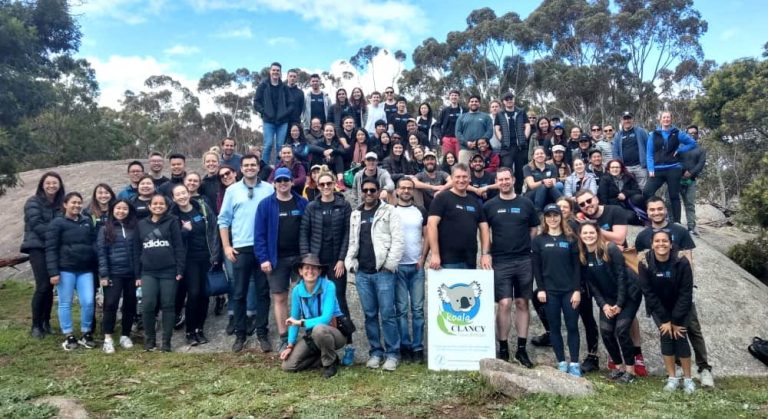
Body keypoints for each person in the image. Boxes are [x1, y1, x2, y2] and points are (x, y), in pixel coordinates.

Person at [634, 197, 714, 387]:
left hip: (682, 289)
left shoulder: (679, 231)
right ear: (647, 212)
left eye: (659, 209)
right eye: (652, 209)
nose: (656, 212)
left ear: (665, 210)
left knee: (692, 329)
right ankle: (677, 369)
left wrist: (690, 287)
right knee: (668, 330)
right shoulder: (643, 236)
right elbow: (641, 262)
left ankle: (704, 368)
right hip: (659, 293)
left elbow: (688, 258)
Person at [482, 167, 538, 368]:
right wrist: (486, 253)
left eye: (507, 179)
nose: (504, 182)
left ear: (513, 180)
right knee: (504, 303)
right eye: (501, 179)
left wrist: (526, 246)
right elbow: (484, 231)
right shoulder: (489, 206)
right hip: (500, 260)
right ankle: (503, 347)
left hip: (524, 259)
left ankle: (521, 349)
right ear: (497, 182)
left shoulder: (526, 203)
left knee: (522, 303)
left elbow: (534, 228)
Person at [218, 154, 274, 353]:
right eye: (246, 165)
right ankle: (240, 333)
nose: (250, 168)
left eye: (253, 165)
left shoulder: (269, 189)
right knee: (239, 293)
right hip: (241, 249)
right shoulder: (232, 190)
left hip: (263, 249)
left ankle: (262, 332)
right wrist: (226, 246)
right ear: (241, 169)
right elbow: (223, 220)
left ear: (258, 167)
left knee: (263, 293)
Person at [346, 179, 404, 371]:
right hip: (363, 273)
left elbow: (398, 240)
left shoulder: (389, 211)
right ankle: (376, 352)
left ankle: (392, 354)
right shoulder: (356, 214)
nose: (369, 193)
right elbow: (353, 242)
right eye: (365, 190)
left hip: (383, 272)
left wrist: (389, 265)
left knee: (387, 314)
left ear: (379, 191)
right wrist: (350, 263)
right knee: (370, 315)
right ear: (361, 192)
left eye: (372, 190)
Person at [300, 171, 356, 365]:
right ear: (317, 185)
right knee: (314, 300)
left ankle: (349, 345)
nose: (325, 187)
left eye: (328, 183)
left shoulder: (343, 205)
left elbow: (348, 234)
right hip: (316, 263)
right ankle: (318, 345)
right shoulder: (311, 207)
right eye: (322, 184)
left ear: (334, 184)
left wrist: (342, 259)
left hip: (336, 262)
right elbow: (304, 233)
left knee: (339, 301)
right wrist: (307, 261)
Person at [577, 222, 642, 383]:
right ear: (580, 236)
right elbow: (592, 285)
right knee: (606, 331)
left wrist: (619, 304)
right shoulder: (583, 255)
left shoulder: (610, 248)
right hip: (607, 298)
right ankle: (619, 367)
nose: (588, 236)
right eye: (585, 233)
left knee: (621, 330)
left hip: (628, 294)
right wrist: (604, 305)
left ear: (597, 233)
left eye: (591, 232)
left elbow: (621, 276)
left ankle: (631, 370)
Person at [255, 167, 309, 354]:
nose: (283, 183)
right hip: (276, 259)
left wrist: (309, 256)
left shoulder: (302, 203)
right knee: (280, 298)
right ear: (274, 183)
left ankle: (310, 334)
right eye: (279, 180)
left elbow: (309, 229)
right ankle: (284, 337)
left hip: (300, 258)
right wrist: (263, 258)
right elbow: (259, 234)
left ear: (292, 182)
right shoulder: (265, 205)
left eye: (286, 180)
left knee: (305, 296)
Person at [637, 229, 695, 394]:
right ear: (652, 244)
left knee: (680, 337)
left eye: (664, 241)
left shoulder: (681, 261)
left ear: (671, 244)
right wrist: (665, 320)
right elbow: (648, 292)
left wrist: (675, 320)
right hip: (659, 307)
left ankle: (688, 379)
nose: (661, 244)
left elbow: (686, 293)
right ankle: (672, 378)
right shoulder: (645, 263)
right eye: (657, 241)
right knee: (666, 337)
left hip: (680, 307)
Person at [532, 204, 582, 376]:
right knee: (554, 327)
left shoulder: (571, 238)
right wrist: (540, 289)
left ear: (561, 217)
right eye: (549, 216)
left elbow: (577, 267)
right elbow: (537, 267)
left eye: (555, 215)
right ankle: (561, 362)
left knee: (572, 326)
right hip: (549, 291)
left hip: (569, 291)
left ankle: (574, 363)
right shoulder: (539, 240)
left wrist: (577, 290)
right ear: (544, 219)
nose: (552, 219)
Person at [45, 192, 97, 350]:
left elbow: (93, 244)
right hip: (65, 269)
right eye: (73, 202)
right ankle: (69, 335)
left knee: (88, 302)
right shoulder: (57, 223)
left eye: (79, 203)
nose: (77, 205)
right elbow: (51, 248)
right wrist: (53, 272)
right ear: (65, 204)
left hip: (85, 270)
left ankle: (86, 332)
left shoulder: (87, 221)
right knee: (65, 303)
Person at [280, 254, 346, 378]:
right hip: (312, 335)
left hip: (334, 333)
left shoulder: (329, 286)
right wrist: (290, 345)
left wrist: (301, 323)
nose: (310, 271)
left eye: (314, 268)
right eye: (306, 268)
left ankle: (329, 364)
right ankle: (322, 358)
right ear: (300, 271)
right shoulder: (297, 291)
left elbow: (326, 318)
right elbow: (294, 319)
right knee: (288, 366)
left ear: (319, 271)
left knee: (319, 329)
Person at [171, 184, 220, 346]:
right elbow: (173, 240)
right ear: (173, 198)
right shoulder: (173, 216)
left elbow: (213, 229)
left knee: (205, 294)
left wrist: (215, 254)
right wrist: (185, 231)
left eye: (183, 193)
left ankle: (200, 329)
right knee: (193, 293)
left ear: (188, 193)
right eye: (178, 194)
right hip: (188, 260)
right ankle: (190, 331)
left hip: (206, 257)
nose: (182, 196)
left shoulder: (202, 208)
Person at [134, 194, 185, 352]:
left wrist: (180, 269)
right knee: (148, 304)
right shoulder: (141, 224)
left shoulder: (172, 221)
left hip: (169, 270)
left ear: (166, 206)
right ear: (149, 206)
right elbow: (136, 250)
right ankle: (150, 340)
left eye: (161, 204)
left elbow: (179, 246)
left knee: (168, 305)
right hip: (148, 271)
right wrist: (137, 274)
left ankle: (166, 342)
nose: (158, 206)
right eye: (155, 203)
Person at [427, 163, 490, 270]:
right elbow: (431, 225)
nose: (461, 180)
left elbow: (484, 228)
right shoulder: (441, 198)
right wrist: (435, 254)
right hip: (447, 261)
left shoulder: (474, 202)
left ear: (469, 179)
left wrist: (485, 254)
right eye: (458, 177)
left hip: (470, 261)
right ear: (452, 178)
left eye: (465, 177)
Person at [393, 178, 428, 363]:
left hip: (416, 266)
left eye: (409, 188)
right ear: (397, 191)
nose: (406, 191)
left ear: (413, 191)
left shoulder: (420, 210)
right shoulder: (391, 211)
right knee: (401, 309)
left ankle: (418, 347)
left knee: (418, 309)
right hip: (398, 267)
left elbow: (427, 235)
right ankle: (405, 347)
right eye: (403, 188)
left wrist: (423, 257)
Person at [97, 199, 138, 353]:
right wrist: (104, 275)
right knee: (111, 304)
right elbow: (102, 253)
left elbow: (138, 252)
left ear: (129, 211)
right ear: (112, 210)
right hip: (114, 273)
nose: (121, 211)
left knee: (130, 304)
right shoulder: (105, 229)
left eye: (125, 208)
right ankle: (108, 338)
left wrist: (138, 274)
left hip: (131, 274)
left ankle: (125, 335)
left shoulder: (134, 228)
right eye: (118, 208)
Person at [644, 111, 698, 224]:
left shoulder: (677, 133)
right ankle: (652, 218)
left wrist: (680, 150)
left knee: (674, 196)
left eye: (668, 117)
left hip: (673, 168)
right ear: (660, 120)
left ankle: (677, 222)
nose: (666, 119)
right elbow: (649, 153)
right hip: (657, 169)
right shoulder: (653, 134)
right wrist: (650, 168)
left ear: (671, 119)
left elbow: (692, 143)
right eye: (664, 117)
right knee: (647, 191)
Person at [253, 62, 290, 165]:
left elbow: (291, 104)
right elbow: (256, 102)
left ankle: (279, 168)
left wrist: (285, 113)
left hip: (282, 122)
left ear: (280, 72)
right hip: (268, 121)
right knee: (268, 145)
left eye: (278, 70)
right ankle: (264, 168)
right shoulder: (263, 86)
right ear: (270, 71)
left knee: (280, 146)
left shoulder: (284, 87)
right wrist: (264, 111)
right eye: (274, 70)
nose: (275, 72)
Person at [494, 91, 531, 193]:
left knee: (520, 171)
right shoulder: (500, 114)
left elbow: (527, 125)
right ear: (503, 102)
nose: (509, 101)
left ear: (514, 100)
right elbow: (497, 128)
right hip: (507, 148)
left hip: (520, 147)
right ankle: (506, 191)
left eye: (511, 99)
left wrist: (525, 137)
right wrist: (501, 139)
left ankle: (518, 193)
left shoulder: (521, 112)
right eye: (507, 99)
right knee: (506, 169)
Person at [679, 125, 707, 236]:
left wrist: (691, 173)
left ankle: (691, 227)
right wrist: (682, 171)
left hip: (691, 180)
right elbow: (674, 160)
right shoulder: (679, 147)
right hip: (677, 179)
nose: (692, 135)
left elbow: (701, 164)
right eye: (690, 133)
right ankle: (674, 224)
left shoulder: (701, 150)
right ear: (686, 134)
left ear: (697, 135)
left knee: (690, 204)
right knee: (671, 202)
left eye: (694, 133)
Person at [613, 111, 649, 190]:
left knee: (644, 190)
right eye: (625, 119)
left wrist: (647, 164)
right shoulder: (618, 135)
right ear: (621, 120)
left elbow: (649, 148)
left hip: (640, 167)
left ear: (633, 120)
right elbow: (615, 152)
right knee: (626, 189)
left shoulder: (641, 131)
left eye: (629, 118)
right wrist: (620, 166)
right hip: (626, 168)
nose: (627, 121)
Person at [456, 95, 493, 165]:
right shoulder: (461, 117)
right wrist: (466, 143)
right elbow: (458, 133)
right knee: (463, 170)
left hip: (482, 150)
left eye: (476, 101)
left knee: (481, 170)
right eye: (472, 101)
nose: (474, 103)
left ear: (479, 104)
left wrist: (479, 142)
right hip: (465, 149)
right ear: (468, 104)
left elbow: (490, 131)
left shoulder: (486, 117)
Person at [524, 147, 562, 211]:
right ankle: (537, 210)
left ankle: (562, 205)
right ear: (533, 156)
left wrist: (550, 183)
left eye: (542, 153)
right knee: (543, 186)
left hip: (548, 192)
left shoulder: (552, 167)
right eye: (537, 154)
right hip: (532, 194)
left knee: (551, 187)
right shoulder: (527, 168)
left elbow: (554, 183)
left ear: (545, 155)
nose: (540, 155)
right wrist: (543, 182)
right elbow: (531, 185)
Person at [315, 123, 347, 191]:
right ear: (323, 132)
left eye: (331, 131)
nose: (329, 132)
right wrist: (324, 152)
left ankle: (340, 181)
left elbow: (343, 152)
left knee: (338, 156)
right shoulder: (319, 142)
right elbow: (312, 149)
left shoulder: (337, 142)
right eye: (327, 131)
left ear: (334, 133)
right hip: (323, 166)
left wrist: (332, 150)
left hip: (335, 167)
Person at [438, 90, 466, 158]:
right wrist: (441, 137)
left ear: (459, 97)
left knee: (460, 159)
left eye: (456, 95)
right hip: (447, 139)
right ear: (449, 97)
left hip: (460, 139)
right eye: (452, 95)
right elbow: (438, 125)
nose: (454, 97)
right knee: (449, 159)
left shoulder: (464, 110)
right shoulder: (445, 110)